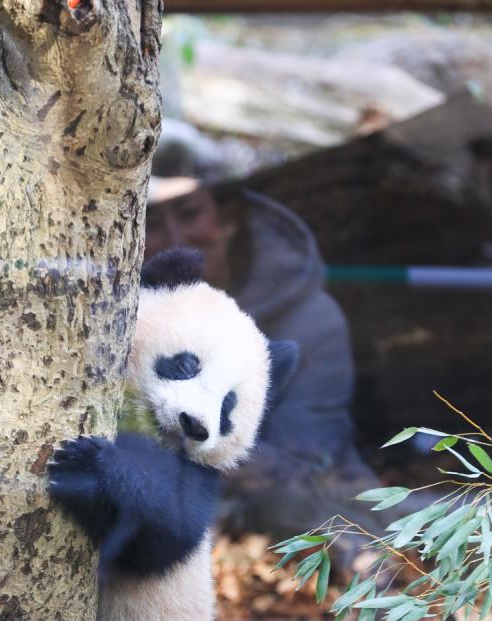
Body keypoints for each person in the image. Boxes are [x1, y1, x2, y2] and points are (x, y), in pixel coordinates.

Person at [145, 124, 384, 560]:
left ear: (230, 216)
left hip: (280, 504)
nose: (177, 240)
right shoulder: (119, 312)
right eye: (154, 223)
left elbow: (305, 460)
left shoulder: (310, 320)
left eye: (189, 213)